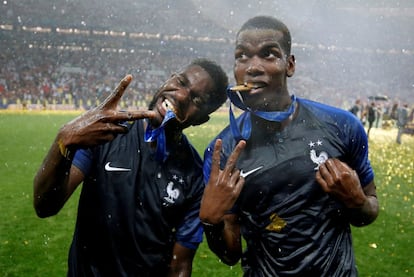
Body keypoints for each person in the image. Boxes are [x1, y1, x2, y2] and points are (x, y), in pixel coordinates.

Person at [199, 16, 379, 276]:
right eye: (242, 56)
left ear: (290, 64)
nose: (253, 67)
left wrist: (357, 201)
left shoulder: (342, 126)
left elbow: (369, 211)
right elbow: (230, 254)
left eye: (268, 54)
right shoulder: (223, 151)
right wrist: (211, 223)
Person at [33, 58, 228, 276]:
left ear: (202, 120)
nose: (181, 95)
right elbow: (45, 206)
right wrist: (64, 140)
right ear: (169, 79)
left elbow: (180, 266)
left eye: (197, 100)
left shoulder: (193, 177)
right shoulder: (105, 135)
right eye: (181, 82)